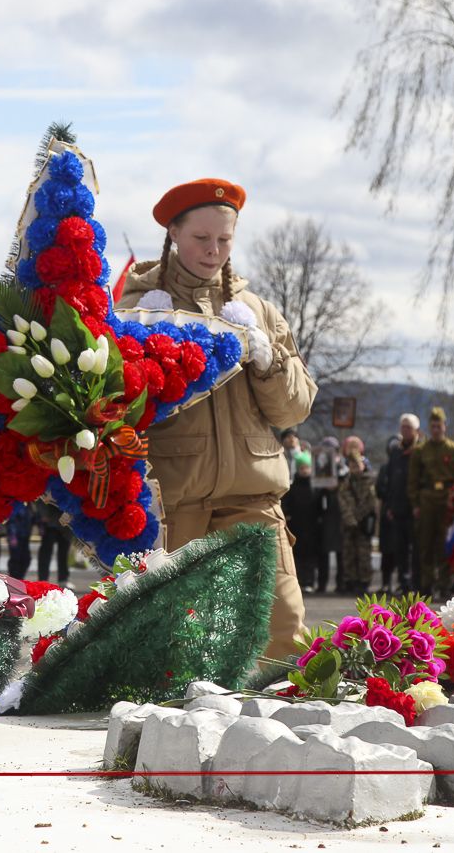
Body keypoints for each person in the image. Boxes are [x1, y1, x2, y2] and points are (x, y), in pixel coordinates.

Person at [116, 177, 317, 664]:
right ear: (173, 236)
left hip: (254, 496)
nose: (213, 250)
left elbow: (295, 409)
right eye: (201, 238)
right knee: (173, 649)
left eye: (224, 239)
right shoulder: (135, 310)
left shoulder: (258, 312)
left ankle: (283, 737)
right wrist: (142, 348)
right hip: (173, 506)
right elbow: (110, 410)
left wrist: (270, 363)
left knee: (284, 638)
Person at [407, 406, 454, 598]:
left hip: (448, 500)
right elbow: (413, 480)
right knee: (425, 544)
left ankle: (444, 584)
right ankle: (426, 585)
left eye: (439, 426)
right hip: (427, 500)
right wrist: (416, 504)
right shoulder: (420, 450)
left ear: (445, 426)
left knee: (445, 544)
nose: (435, 429)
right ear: (429, 427)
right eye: (432, 426)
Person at [375, 416, 421, 594]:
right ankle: (403, 582)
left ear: (416, 430)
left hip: (414, 508)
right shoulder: (396, 452)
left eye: (409, 427)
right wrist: (391, 507)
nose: (405, 430)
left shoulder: (420, 450)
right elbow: (392, 481)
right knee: (400, 549)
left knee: (414, 549)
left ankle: (415, 583)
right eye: (403, 427)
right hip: (397, 507)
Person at [337, 445, 376, 596]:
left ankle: (364, 583)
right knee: (349, 555)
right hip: (349, 526)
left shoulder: (369, 482)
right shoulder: (347, 483)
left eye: (357, 464)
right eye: (352, 465)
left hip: (363, 525)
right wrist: (350, 519)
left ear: (363, 465)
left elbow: (371, 503)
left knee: (364, 555)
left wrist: (358, 518)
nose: (355, 468)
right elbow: (342, 501)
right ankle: (350, 582)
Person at [283, 449, 321, 592]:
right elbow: (286, 503)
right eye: (302, 468)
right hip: (296, 526)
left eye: (307, 467)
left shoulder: (315, 487)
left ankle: (310, 581)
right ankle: (298, 581)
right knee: (297, 555)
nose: (304, 470)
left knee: (311, 556)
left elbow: (320, 505)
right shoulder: (292, 488)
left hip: (312, 527)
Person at [313, 436, 343, 593]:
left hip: (339, 513)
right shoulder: (318, 466)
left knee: (341, 551)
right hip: (323, 514)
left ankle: (341, 583)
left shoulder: (342, 468)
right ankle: (322, 583)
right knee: (323, 551)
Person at [35, 502, 71, 584]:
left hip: (65, 523)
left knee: (64, 552)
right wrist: (43, 514)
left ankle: (63, 579)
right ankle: (43, 580)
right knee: (45, 552)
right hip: (49, 523)